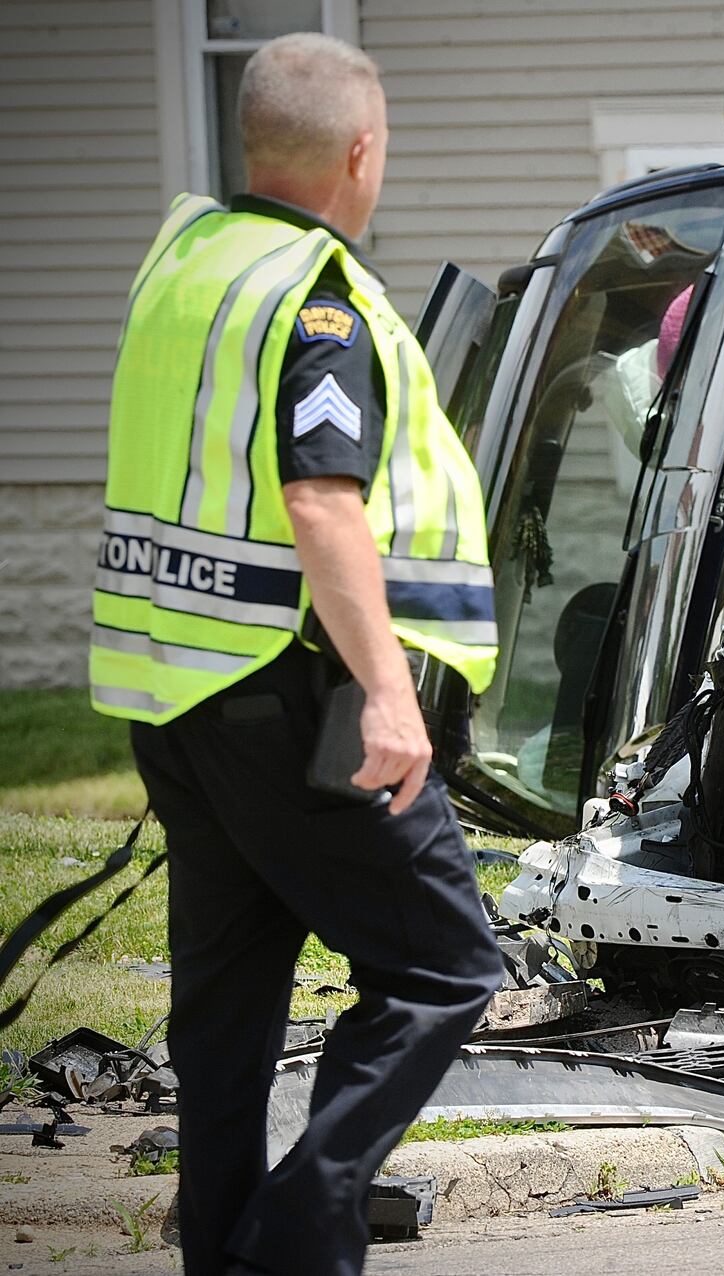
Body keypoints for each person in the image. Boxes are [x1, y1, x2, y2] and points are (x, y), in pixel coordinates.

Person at [89, 32, 504, 1276]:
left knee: (224, 1010)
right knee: (443, 966)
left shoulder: (184, 263)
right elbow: (321, 500)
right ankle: (299, 1236)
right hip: (297, 691)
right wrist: (390, 693)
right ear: (359, 154)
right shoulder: (318, 293)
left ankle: (222, 1252)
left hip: (176, 692)